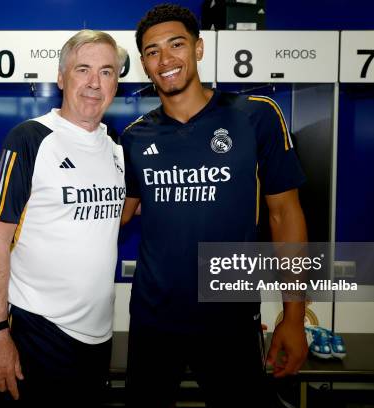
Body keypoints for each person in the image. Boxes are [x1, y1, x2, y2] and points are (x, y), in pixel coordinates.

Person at [120, 4, 309, 407]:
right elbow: (115, 214)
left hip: (230, 318)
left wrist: (293, 317)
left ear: (199, 48)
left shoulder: (255, 116)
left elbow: (285, 215)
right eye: (153, 51)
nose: (165, 59)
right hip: (154, 319)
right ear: (143, 64)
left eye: (176, 45)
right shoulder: (135, 137)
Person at [0, 30, 127, 406]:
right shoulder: (30, 139)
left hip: (98, 337)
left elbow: (106, 221)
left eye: (107, 71)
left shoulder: (117, 148)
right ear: (62, 78)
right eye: (83, 69)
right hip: (38, 332)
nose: (95, 83)